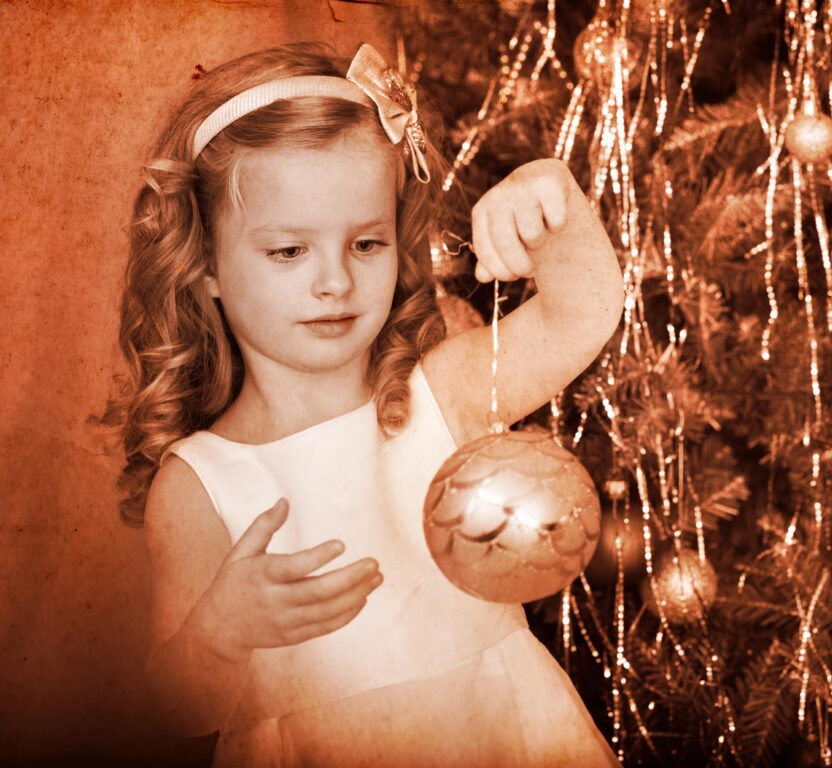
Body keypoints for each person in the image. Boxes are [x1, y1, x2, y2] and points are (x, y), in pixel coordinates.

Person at [102, 39, 624, 767]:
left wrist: (551, 197)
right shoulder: (199, 481)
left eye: (366, 244)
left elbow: (582, 316)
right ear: (205, 265)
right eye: (289, 251)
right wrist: (219, 632)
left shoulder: (442, 394)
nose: (335, 283)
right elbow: (181, 709)